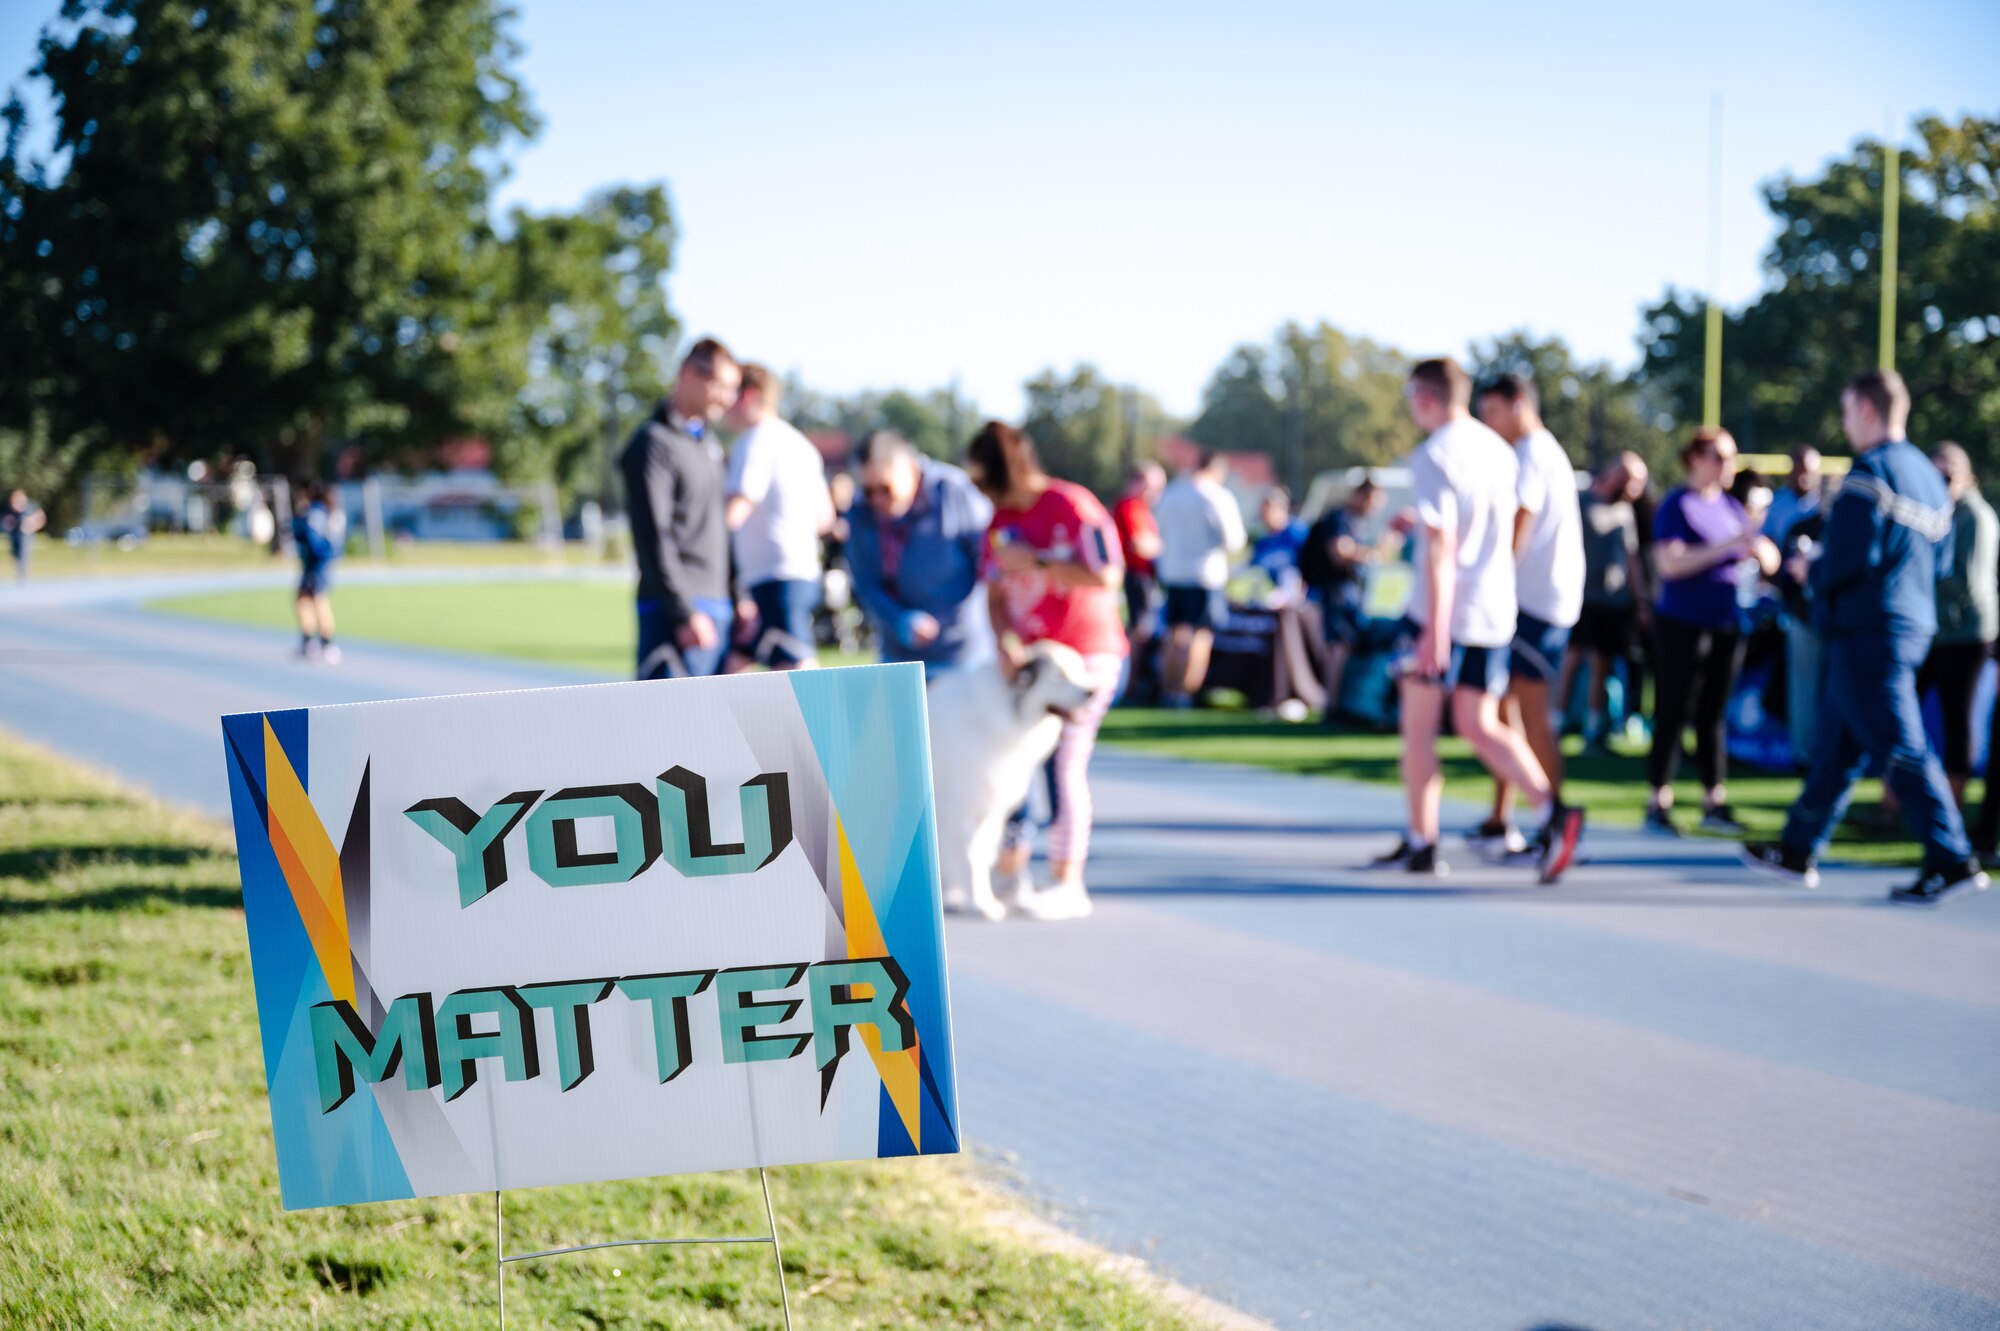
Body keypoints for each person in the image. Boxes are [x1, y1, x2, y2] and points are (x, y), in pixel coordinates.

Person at [1745, 370, 1988, 904]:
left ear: (1869, 411)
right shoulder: (1927, 475)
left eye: (1848, 411)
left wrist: (1811, 571)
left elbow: (1854, 556)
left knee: (1901, 747)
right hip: (1910, 624)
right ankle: (1797, 848)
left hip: (1869, 629)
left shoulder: (1870, 472)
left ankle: (1953, 858)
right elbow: (1940, 561)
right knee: (1838, 744)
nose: (1844, 422)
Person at [1374, 358, 1583, 880]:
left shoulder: (1434, 455)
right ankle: (1551, 811)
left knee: (1418, 729)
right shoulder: (1497, 448)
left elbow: (1444, 548)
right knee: (1478, 722)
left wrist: (1435, 628)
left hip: (1447, 609)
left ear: (1424, 397)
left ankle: (1423, 839)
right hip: (1494, 608)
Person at [967, 421, 1127, 921]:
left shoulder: (1070, 504)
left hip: (1086, 657)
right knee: (1013, 762)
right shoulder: (997, 521)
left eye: (983, 478)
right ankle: (1010, 870)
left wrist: (1036, 561)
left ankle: (1067, 879)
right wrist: (1004, 639)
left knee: (1064, 764)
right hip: (1032, 663)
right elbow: (994, 596)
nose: (980, 491)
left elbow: (1108, 573)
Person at [1643, 428, 1777, 836]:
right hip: (1682, 622)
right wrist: (1728, 546)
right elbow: (1670, 564)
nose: (1728, 467)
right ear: (1696, 458)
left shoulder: (1731, 508)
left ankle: (1712, 799)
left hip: (1726, 621)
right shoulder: (1676, 505)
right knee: (1673, 708)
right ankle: (1659, 800)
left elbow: (1767, 556)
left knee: (1713, 714)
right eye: (1720, 457)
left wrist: (1758, 548)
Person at [1472, 374, 1585, 857]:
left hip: (1537, 603)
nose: (1487, 423)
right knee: (1505, 710)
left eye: (1493, 411)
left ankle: (1556, 819)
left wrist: (1493, 577)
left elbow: (1521, 519)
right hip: (1543, 600)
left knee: (1531, 714)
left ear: (1519, 405)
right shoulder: (1543, 450)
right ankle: (1505, 818)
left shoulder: (1531, 454)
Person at [621, 337, 740, 680]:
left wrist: (738, 595)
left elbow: (718, 526)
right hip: (675, 614)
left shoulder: (709, 444)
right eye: (721, 386)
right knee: (666, 730)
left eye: (733, 389)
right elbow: (653, 537)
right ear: (689, 374)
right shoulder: (653, 443)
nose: (728, 398)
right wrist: (683, 612)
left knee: (712, 729)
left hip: (718, 608)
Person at [843, 429, 994, 675]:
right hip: (898, 658)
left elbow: (989, 562)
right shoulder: (860, 510)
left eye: (885, 488)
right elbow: (865, 582)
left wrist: (946, 619)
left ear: (911, 468)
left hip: (965, 656)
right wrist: (900, 619)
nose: (877, 499)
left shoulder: (955, 492)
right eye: (868, 491)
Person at [722, 364, 834, 671]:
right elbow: (825, 517)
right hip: (800, 571)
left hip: (773, 576)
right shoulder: (801, 444)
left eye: (729, 394)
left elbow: (734, 515)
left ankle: (819, 721)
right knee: (734, 663)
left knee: (796, 668)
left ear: (748, 396)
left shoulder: (754, 441)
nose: (722, 405)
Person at [1918, 443, 1997, 808]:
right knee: (1903, 711)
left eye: (1947, 476)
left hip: (1966, 634)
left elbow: (1967, 583)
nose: (1940, 482)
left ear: (1965, 477)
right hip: (1934, 630)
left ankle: (1953, 805)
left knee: (1958, 720)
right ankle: (1891, 803)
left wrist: (1916, 574)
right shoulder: (1937, 511)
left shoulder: (1976, 517)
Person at [1560, 455, 1651, 755]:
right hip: (1583, 597)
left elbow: (1632, 558)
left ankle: (1592, 731)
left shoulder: (1624, 512)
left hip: (1613, 601)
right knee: (1571, 661)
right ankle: (1553, 723)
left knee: (1602, 665)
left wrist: (1641, 601)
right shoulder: (1582, 502)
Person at [1153, 451, 1247, 707]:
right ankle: (1184, 693)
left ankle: (1167, 690)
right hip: (1204, 574)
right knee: (1199, 636)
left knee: (1173, 634)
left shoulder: (1172, 493)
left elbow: (1158, 528)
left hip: (1172, 572)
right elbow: (1234, 541)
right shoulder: (1216, 496)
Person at [1299, 478, 1390, 723]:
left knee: (1345, 646)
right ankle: (1332, 706)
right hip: (1338, 593)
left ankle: (1339, 703)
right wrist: (1375, 553)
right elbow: (1340, 553)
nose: (1373, 508)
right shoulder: (1340, 519)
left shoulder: (1353, 521)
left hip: (1347, 592)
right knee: (1339, 647)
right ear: (1361, 496)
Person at [1112, 462, 1165, 642]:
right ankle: (1132, 670)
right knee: (1139, 629)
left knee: (1142, 627)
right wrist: (1165, 547)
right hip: (1135, 574)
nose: (1156, 493)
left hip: (1141, 575)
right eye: (1153, 487)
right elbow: (1139, 544)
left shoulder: (1141, 508)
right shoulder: (1130, 505)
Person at [292, 483, 341, 664]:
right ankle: (310, 641)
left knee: (318, 602)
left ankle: (327, 644)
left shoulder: (315, 513)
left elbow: (315, 540)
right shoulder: (326, 512)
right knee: (304, 601)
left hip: (317, 565)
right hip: (317, 564)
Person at [1248, 485, 1307, 596]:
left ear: (1281, 509)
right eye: (1263, 511)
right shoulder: (1262, 540)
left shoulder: (1297, 532)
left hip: (1298, 599)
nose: (1264, 516)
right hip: (1269, 599)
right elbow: (1255, 569)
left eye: (1268, 510)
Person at [1763, 445, 1823, 549]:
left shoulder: (1826, 504)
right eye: (1798, 471)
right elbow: (1766, 536)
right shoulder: (1776, 503)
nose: (1802, 478)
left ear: (1817, 473)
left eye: (1807, 472)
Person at [2, 489, 45, 582]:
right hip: (14, 534)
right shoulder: (10, 508)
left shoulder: (30, 506)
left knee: (24, 553)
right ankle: (20, 570)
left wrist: (33, 526)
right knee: (15, 553)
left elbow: (40, 516)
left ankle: (23, 573)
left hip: (25, 534)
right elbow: (6, 520)